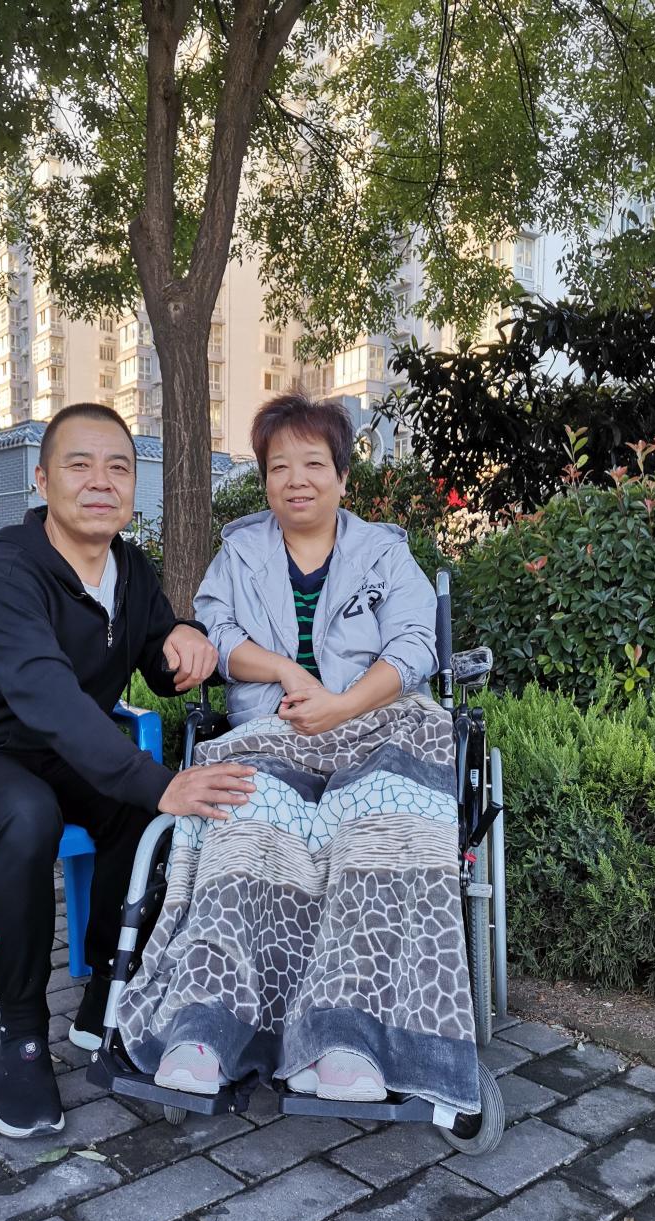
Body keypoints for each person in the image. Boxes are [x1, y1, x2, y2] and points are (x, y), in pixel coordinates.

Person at [116, 392, 480, 1116]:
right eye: (278, 466)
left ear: (342, 476)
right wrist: (287, 671)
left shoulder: (384, 551)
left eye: (313, 463)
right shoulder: (240, 552)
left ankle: (349, 1037)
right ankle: (207, 1025)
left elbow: (416, 645)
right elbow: (216, 635)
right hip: (273, 731)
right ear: (264, 479)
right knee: (242, 822)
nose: (296, 479)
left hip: (377, 726)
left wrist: (342, 705)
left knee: (382, 831)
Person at [0, 402, 255, 1138]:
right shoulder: (7, 569)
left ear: (132, 486)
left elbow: (158, 660)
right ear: (43, 480)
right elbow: (50, 698)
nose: (101, 481)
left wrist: (186, 639)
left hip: (58, 757)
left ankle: (108, 988)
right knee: (28, 812)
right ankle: (22, 1035)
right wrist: (160, 780)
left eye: (118, 467)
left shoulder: (131, 568)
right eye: (79, 464)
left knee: (143, 813)